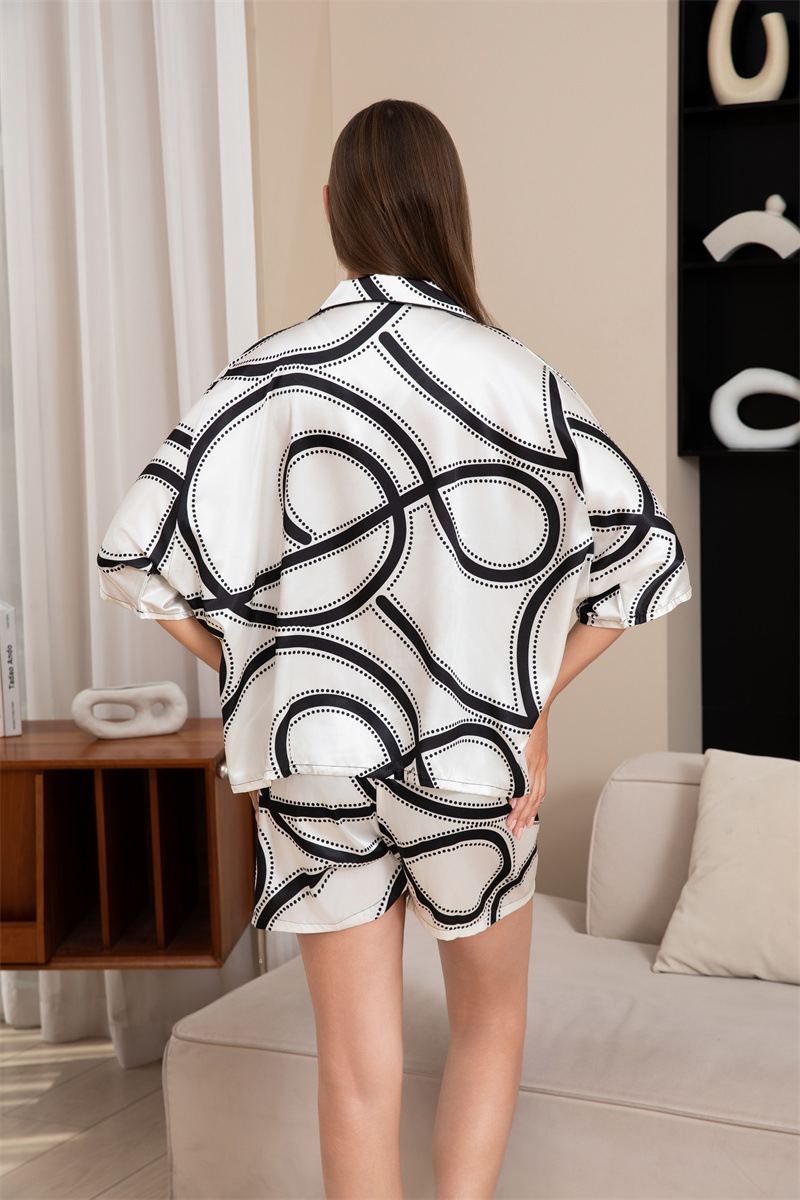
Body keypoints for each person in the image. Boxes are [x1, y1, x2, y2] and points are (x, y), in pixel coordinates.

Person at [97, 99, 692, 1200]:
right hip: (473, 759)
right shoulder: (514, 375)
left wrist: (262, 673)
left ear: (333, 208)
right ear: (449, 209)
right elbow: (643, 557)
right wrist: (524, 707)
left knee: (355, 1069)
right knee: (489, 1023)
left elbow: (137, 558)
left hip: (313, 757)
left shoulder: (270, 376)